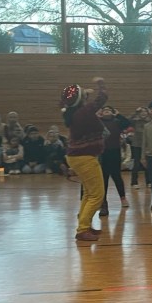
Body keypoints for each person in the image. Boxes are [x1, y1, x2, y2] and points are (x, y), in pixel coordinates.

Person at [60, 77, 108, 241]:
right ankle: (82, 229)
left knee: (89, 193)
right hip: (84, 157)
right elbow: (102, 99)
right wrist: (101, 84)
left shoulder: (72, 112)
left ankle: (85, 224)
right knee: (97, 195)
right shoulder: (84, 112)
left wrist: (83, 94)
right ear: (81, 100)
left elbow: (78, 102)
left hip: (76, 156)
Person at [98, 106, 130, 214]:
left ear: (112, 113)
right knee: (103, 179)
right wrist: (96, 116)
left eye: (109, 110)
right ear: (101, 113)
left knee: (117, 176)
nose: (107, 110)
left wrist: (119, 115)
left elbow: (127, 123)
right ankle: (103, 202)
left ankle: (123, 197)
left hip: (115, 152)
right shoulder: (98, 122)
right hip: (102, 153)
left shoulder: (117, 122)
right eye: (104, 110)